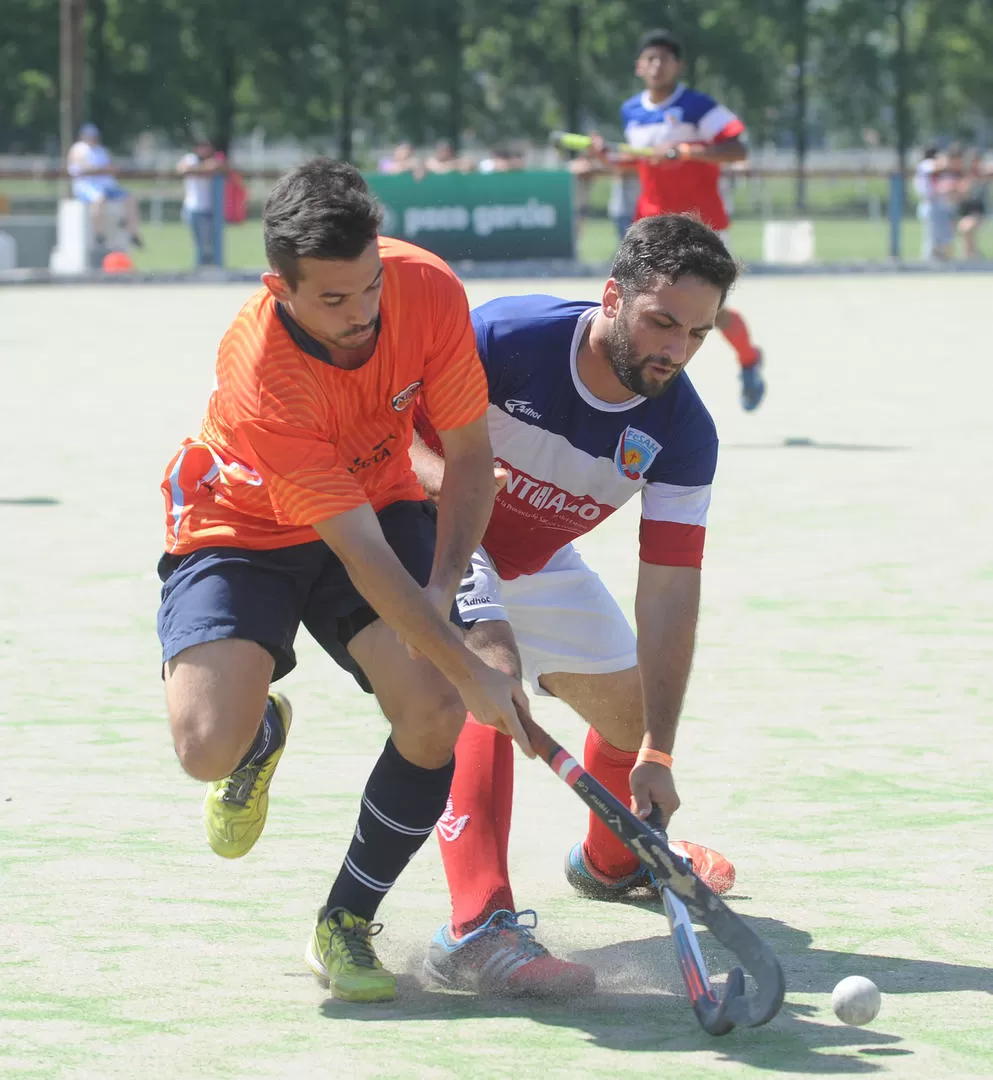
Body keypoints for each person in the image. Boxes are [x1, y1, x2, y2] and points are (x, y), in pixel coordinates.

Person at [156, 158, 534, 1004]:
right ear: (278, 286)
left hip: (379, 493)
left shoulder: (425, 289)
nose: (361, 315)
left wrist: (441, 599)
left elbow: (470, 461)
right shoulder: (261, 372)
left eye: (368, 288)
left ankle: (346, 920)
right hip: (243, 528)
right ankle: (254, 737)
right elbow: (359, 554)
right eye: (332, 300)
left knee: (434, 709)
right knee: (202, 747)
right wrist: (469, 665)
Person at [411, 213, 738, 998]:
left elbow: (668, 586)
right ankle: (476, 929)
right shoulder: (509, 337)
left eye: (697, 333)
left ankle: (609, 860)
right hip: (436, 530)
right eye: (661, 321)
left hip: (537, 557)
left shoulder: (684, 432)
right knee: (489, 680)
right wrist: (451, 488)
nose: (675, 349)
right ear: (612, 297)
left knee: (626, 719)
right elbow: (387, 436)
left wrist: (658, 749)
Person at [595, 29, 765, 412]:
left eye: (665, 59)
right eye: (650, 59)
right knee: (633, 304)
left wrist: (686, 151)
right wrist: (607, 155)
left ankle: (750, 360)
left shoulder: (698, 107)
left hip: (702, 227)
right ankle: (630, 389)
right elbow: (637, 159)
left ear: (678, 66)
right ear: (639, 66)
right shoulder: (631, 111)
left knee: (709, 313)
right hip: (651, 226)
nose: (657, 66)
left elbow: (737, 149)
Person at [66, 123, 143, 250]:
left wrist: (102, 169)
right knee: (99, 200)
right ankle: (99, 235)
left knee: (130, 198)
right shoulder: (78, 149)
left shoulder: (101, 150)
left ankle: (133, 233)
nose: (92, 139)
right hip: (87, 186)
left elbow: (110, 166)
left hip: (106, 185)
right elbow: (83, 165)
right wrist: (99, 169)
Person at [176, 138, 224, 267]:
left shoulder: (213, 161)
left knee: (211, 242)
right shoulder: (190, 159)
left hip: (210, 208)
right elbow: (182, 169)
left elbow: (220, 166)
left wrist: (206, 167)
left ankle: (208, 267)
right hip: (194, 207)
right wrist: (203, 168)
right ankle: (199, 268)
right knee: (200, 243)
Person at [913, 144, 954, 261]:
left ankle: (939, 260)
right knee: (932, 238)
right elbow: (939, 166)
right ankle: (928, 262)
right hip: (929, 204)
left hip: (938, 204)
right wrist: (943, 158)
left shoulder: (931, 167)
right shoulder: (925, 164)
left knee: (942, 237)